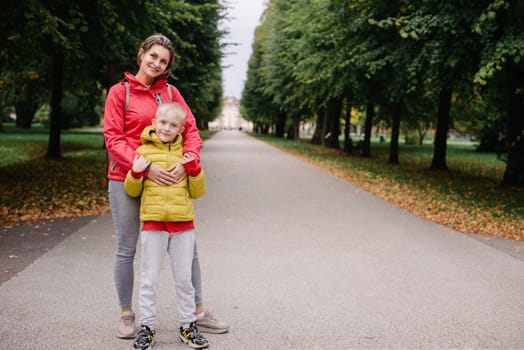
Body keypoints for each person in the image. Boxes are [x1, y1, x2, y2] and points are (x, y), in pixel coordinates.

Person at [103, 33, 228, 339]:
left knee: (189, 249)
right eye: (153, 56)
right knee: (127, 248)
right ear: (141, 54)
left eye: (163, 61)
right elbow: (113, 138)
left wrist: (187, 163)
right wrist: (144, 167)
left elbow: (192, 130)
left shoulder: (171, 93)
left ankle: (197, 313)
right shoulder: (120, 92)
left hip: (169, 183)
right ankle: (128, 315)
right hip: (128, 177)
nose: (157, 64)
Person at [125, 102, 208, 349]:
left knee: (184, 280)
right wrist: (136, 173)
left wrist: (194, 170)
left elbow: (198, 191)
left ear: (181, 129)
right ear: (154, 123)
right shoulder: (143, 152)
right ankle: (147, 328)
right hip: (154, 224)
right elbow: (132, 190)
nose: (166, 128)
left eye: (173, 125)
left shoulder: (187, 154)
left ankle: (187, 326)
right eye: (162, 122)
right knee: (149, 279)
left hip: (183, 225)